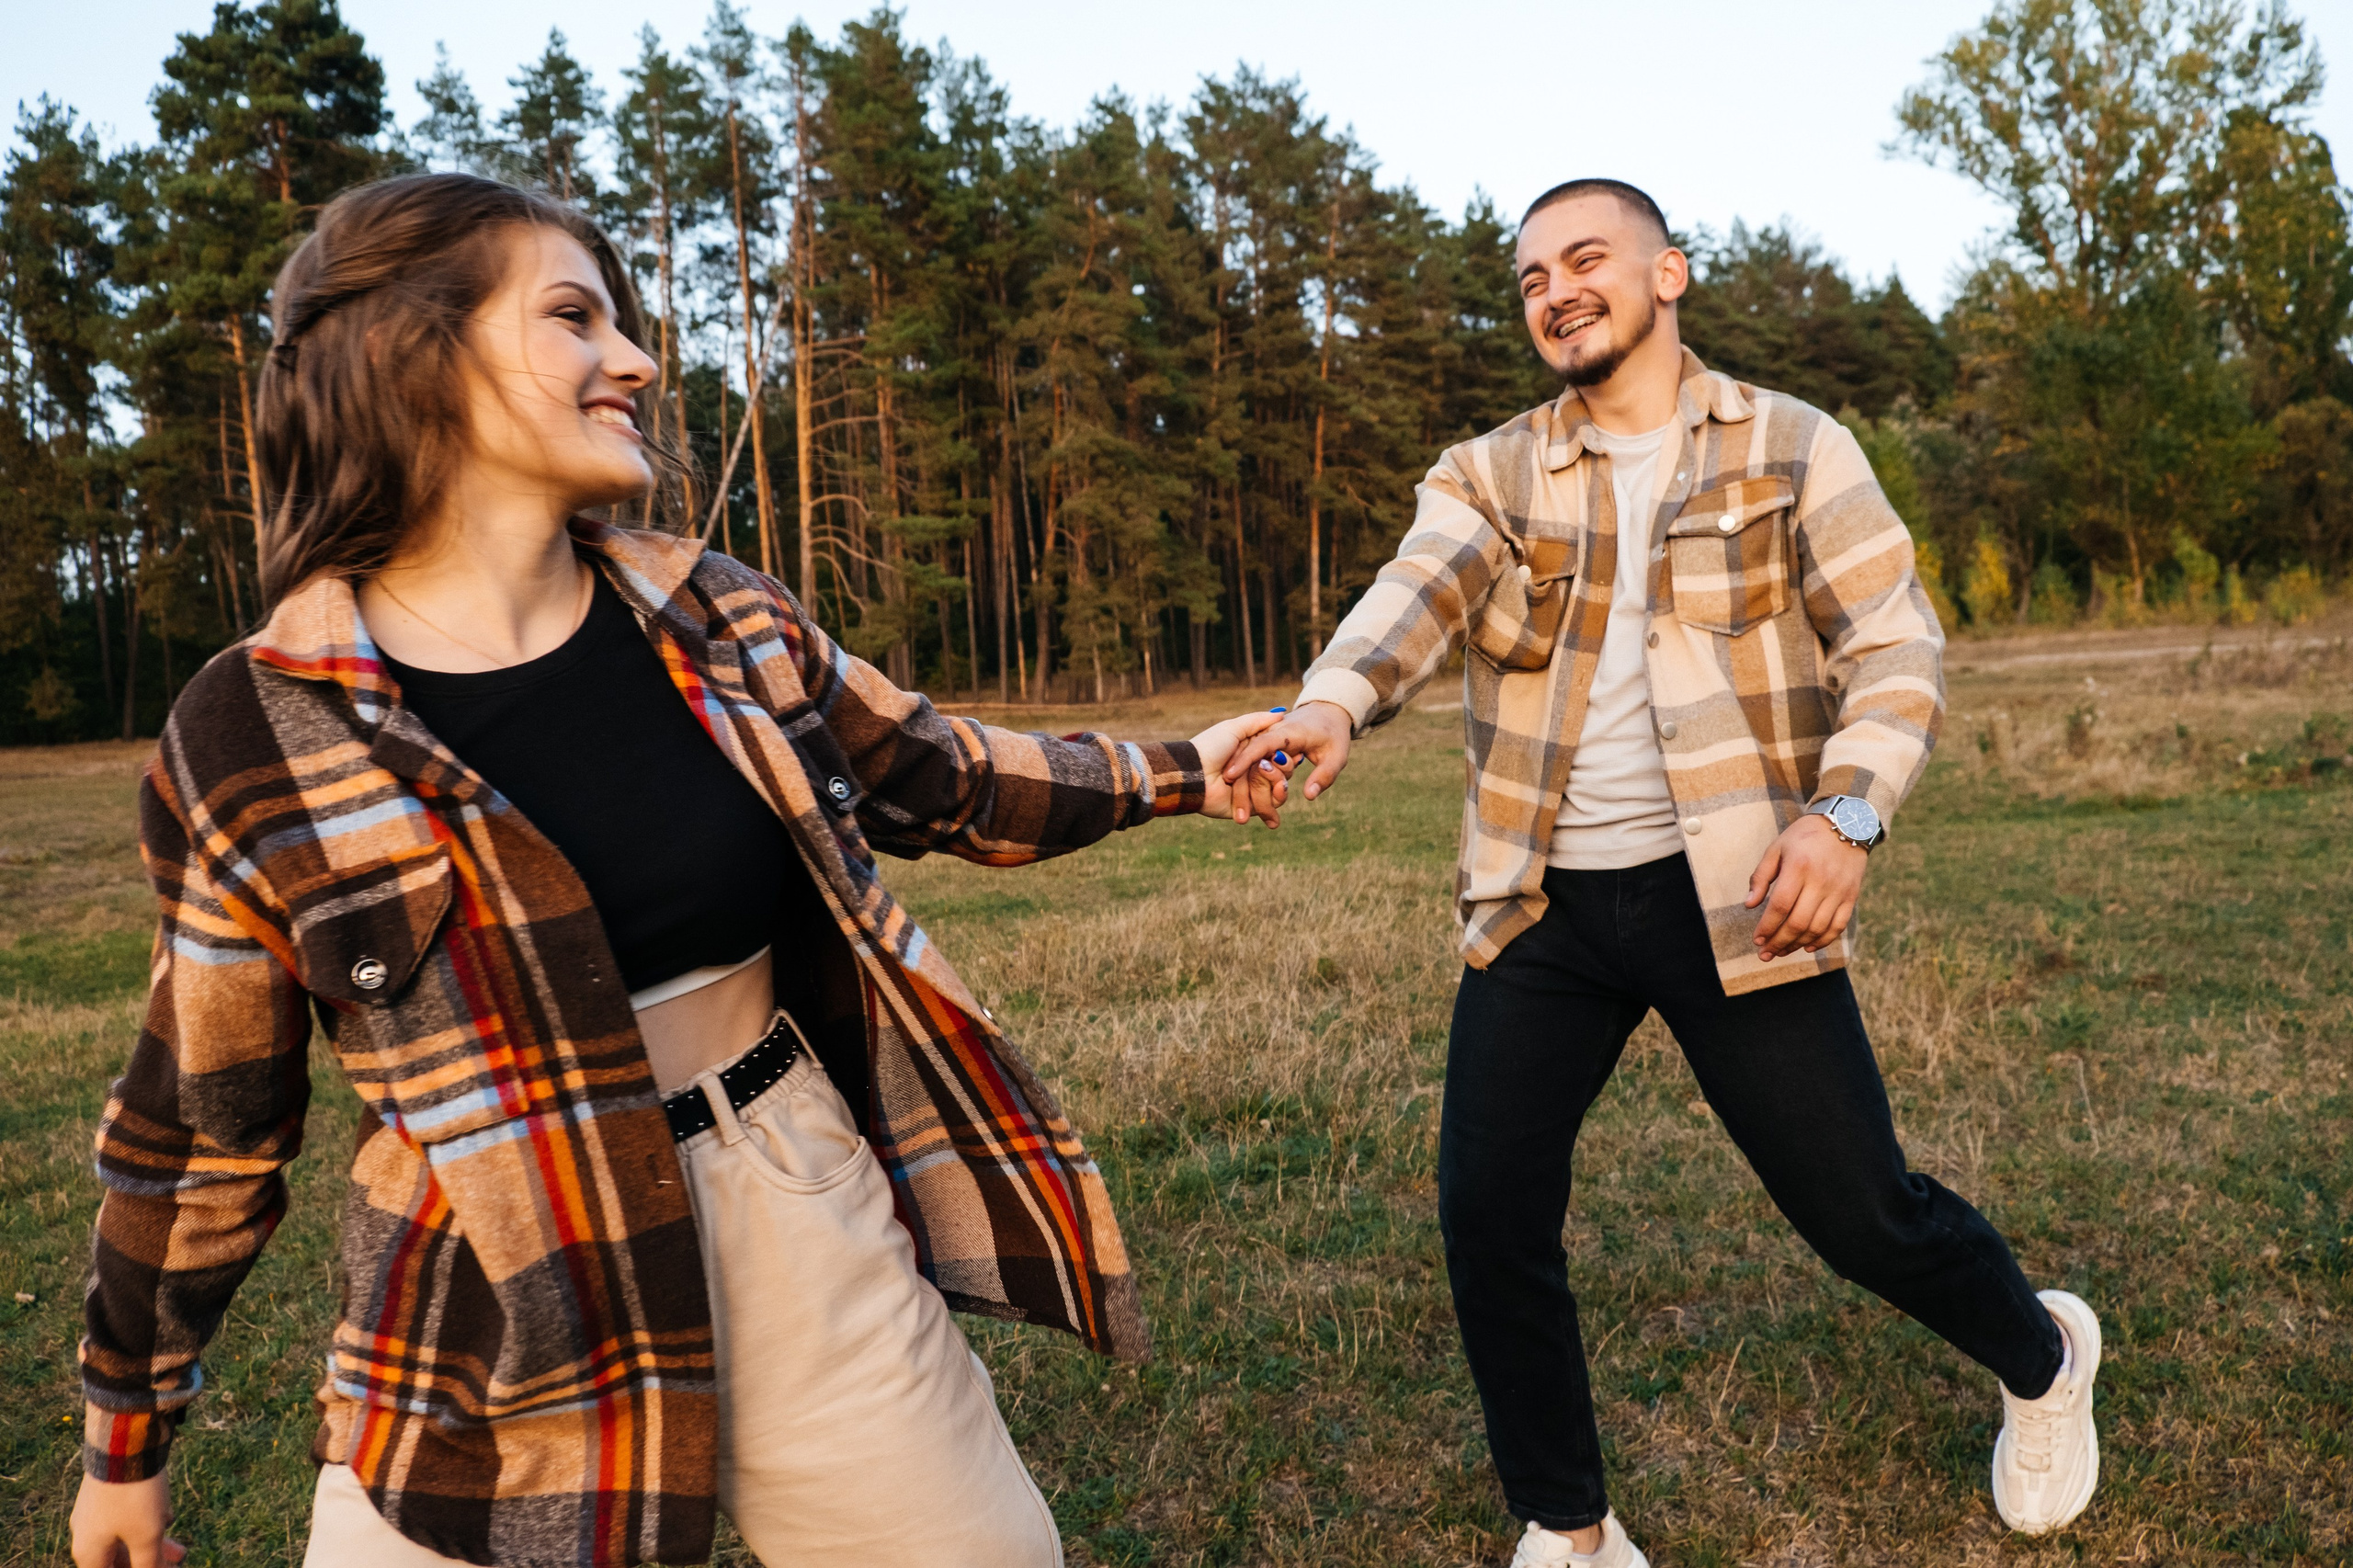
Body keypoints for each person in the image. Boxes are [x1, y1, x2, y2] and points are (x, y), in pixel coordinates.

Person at [68, 172, 1289, 1568]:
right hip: (492, 1297)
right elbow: (202, 1125)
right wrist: (123, 1442)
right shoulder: (253, 726)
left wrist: (1183, 768)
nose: (637, 360)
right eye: (574, 317)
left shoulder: (717, 613)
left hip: (793, 1205)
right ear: (413, 357)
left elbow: (939, 771)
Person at [1222, 178, 2101, 1568]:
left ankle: (2044, 1357)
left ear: (1668, 272)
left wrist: (1845, 819)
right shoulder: (1490, 471)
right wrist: (1328, 705)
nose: (1556, 292)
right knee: (1489, 1209)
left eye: (1586, 259)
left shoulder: (1794, 445)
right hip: (1545, 904)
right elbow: (1416, 592)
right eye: (1530, 278)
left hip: (1742, 893)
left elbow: (1895, 648)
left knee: (1863, 1215)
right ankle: (1571, 1527)